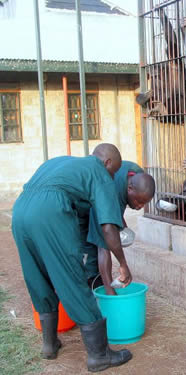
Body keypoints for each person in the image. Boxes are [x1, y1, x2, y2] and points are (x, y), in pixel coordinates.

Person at [11, 144, 133, 372]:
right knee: (71, 277)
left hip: (20, 213)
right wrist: (123, 264)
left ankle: (49, 345)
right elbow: (108, 228)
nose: (112, 177)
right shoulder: (98, 171)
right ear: (107, 163)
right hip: (49, 213)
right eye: (113, 172)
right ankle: (99, 356)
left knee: (37, 276)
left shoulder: (60, 162)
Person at [84, 161, 155, 294]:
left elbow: (119, 206)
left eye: (144, 203)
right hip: (85, 205)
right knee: (96, 249)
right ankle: (104, 292)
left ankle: (101, 287)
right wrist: (122, 266)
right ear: (129, 189)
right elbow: (104, 243)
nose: (140, 206)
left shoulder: (136, 175)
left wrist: (121, 225)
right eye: (138, 202)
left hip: (102, 196)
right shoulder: (110, 190)